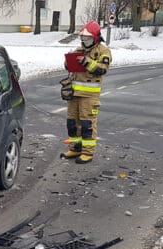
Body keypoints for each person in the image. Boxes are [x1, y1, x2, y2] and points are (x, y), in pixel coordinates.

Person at [62, 21, 112, 164]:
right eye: (83, 38)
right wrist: (68, 62)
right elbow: (71, 67)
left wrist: (87, 62)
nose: (84, 41)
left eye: (87, 38)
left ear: (95, 38)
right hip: (74, 94)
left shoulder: (103, 51)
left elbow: (102, 69)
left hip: (89, 96)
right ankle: (75, 148)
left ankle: (87, 152)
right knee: (72, 123)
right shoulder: (79, 50)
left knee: (87, 124)